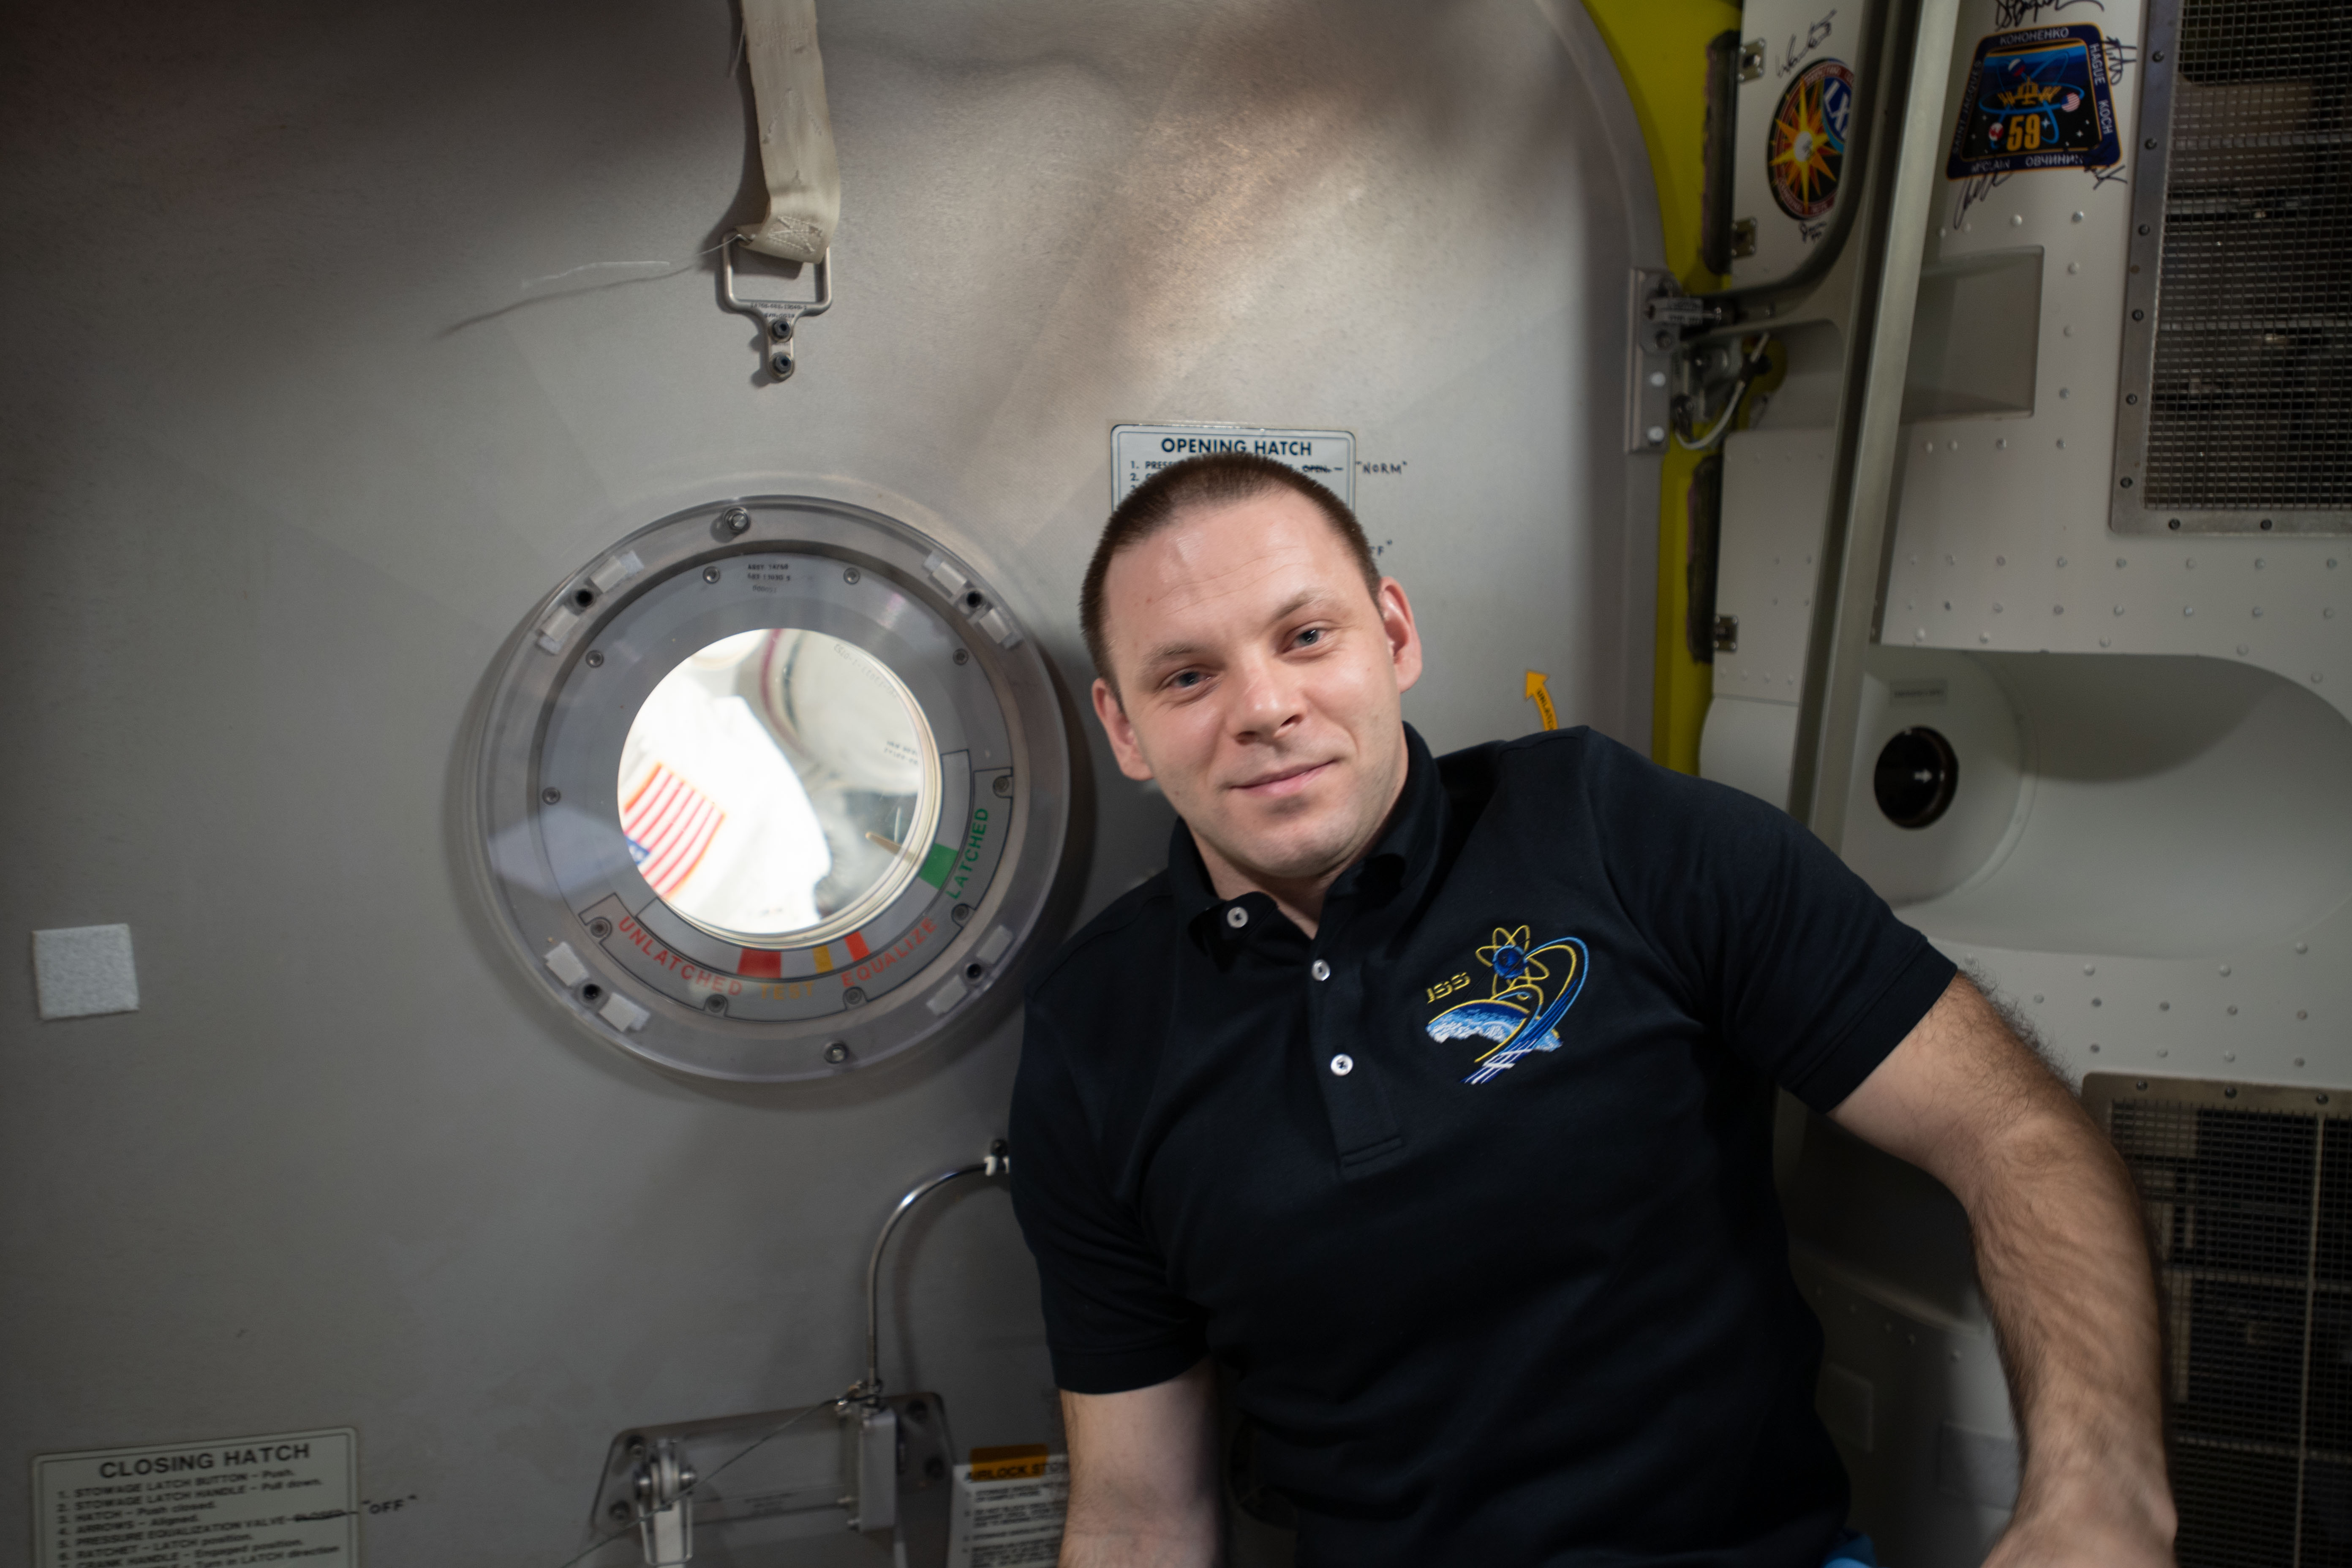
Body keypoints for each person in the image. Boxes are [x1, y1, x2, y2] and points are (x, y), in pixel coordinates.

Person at [1007, 452, 2174, 1567]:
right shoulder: (1093, 1035)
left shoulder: (1621, 837)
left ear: (1395, 635)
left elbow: (2015, 1134)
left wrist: (2097, 1500)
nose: (1264, 707)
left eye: (1307, 636)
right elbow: (1140, 1520)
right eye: (1188, 675)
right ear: (1125, 731)